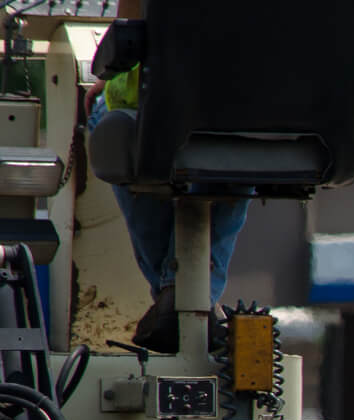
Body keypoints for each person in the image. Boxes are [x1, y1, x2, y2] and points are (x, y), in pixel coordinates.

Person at [90, 0, 251, 354]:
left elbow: (128, 34)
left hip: (170, 115)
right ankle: (195, 299)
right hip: (278, 124)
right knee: (245, 150)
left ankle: (176, 295)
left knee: (108, 119)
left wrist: (105, 77)